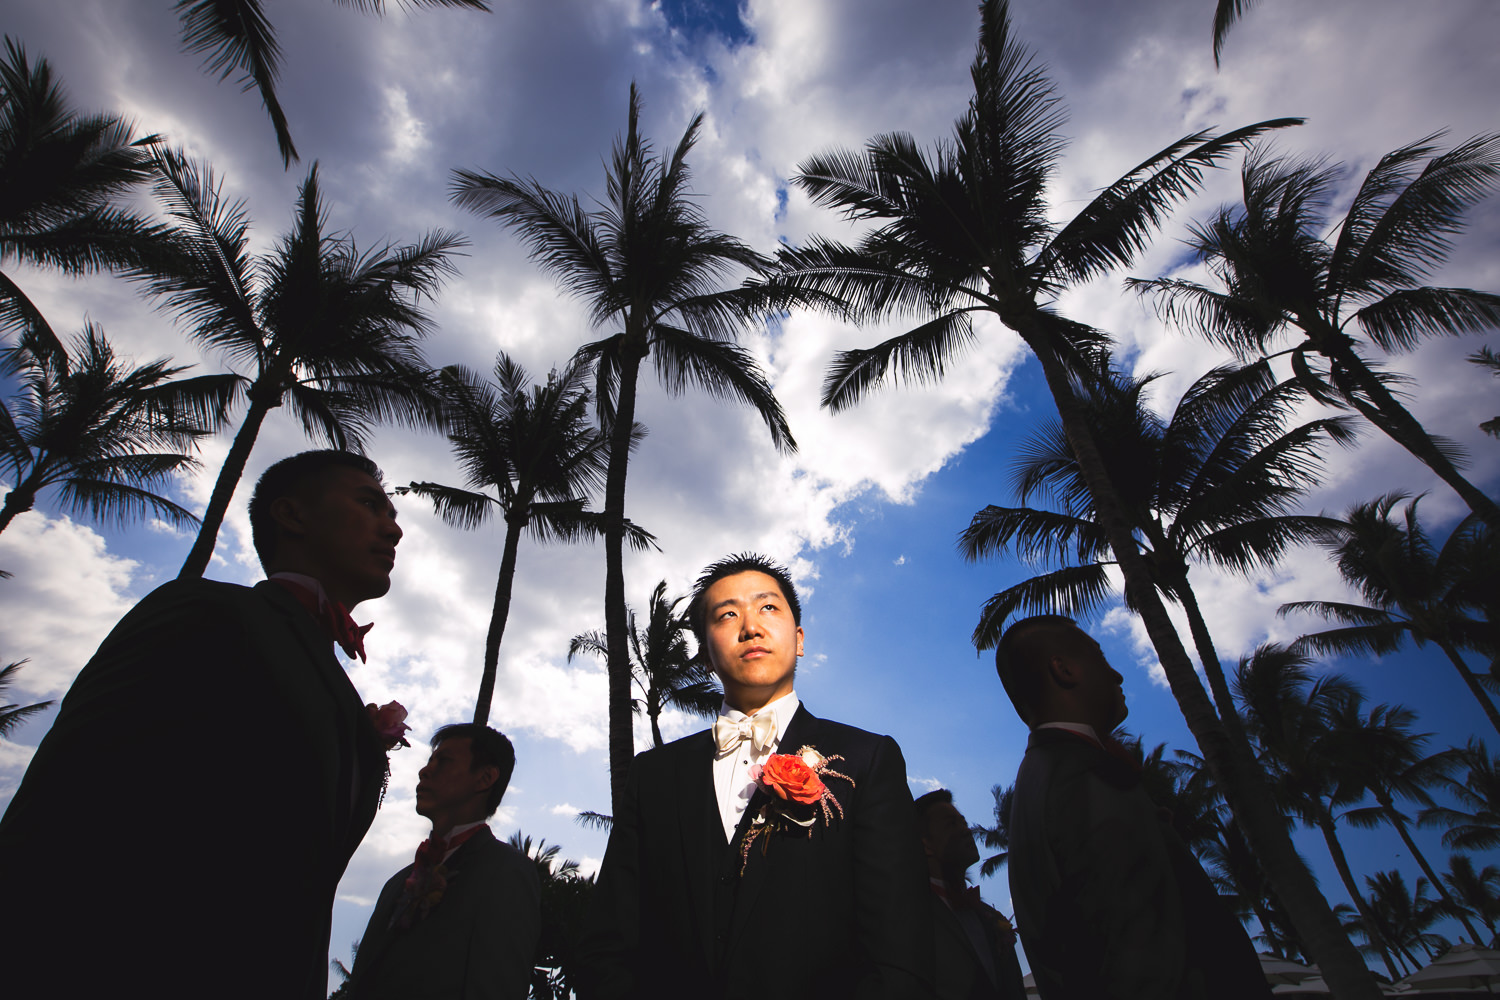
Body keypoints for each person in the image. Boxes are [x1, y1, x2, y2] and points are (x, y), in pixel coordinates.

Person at [0, 450, 402, 999]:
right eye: (369, 503)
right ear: (292, 515)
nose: (393, 528)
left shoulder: (328, 677)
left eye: (391, 512)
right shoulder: (210, 613)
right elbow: (63, 803)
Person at [581, 553, 934, 1000]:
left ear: (800, 638)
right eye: (727, 615)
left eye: (768, 607)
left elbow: (899, 945)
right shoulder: (654, 775)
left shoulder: (868, 758)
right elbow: (611, 938)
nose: (750, 626)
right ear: (706, 655)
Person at [997, 615, 1270, 1000]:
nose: (1117, 675)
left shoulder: (1049, 775)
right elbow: (1140, 961)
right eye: (1101, 658)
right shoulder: (1082, 777)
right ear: (1064, 669)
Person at [349, 723, 540, 1000]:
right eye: (429, 761)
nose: (424, 771)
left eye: (444, 761)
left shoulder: (505, 871)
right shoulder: (397, 883)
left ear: (485, 777)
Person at [914, 789, 1026, 1000]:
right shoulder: (911, 916)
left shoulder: (991, 918)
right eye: (951, 825)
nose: (966, 831)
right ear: (926, 843)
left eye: (963, 822)